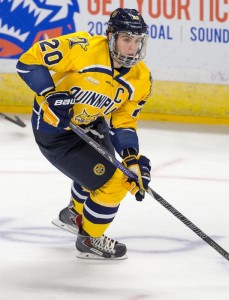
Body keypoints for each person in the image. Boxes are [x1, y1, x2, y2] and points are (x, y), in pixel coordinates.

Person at [16, 8, 152, 260]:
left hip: (90, 123)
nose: (132, 48)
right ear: (111, 37)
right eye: (126, 39)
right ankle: (89, 239)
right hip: (55, 130)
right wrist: (49, 94)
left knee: (110, 170)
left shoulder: (141, 78)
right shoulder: (83, 48)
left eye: (137, 40)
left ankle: (73, 213)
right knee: (112, 184)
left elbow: (123, 121)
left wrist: (132, 159)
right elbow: (28, 61)